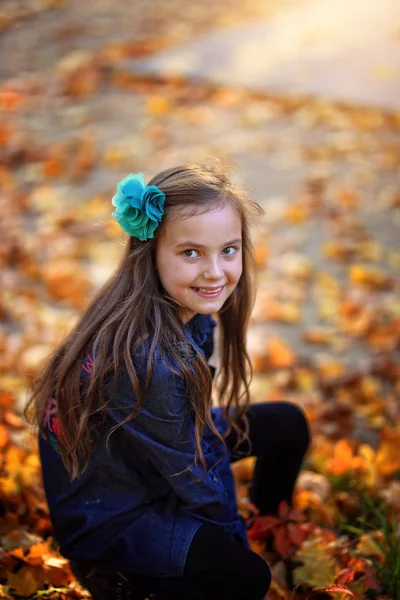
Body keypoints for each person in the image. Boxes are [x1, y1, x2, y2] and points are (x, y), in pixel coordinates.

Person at [25, 163, 310, 600]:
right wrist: (236, 550)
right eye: (191, 253)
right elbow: (199, 475)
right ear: (150, 251)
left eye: (228, 250)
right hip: (110, 521)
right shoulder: (148, 360)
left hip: (144, 456)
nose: (215, 271)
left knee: (287, 424)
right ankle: (132, 584)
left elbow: (191, 437)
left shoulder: (161, 302)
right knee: (244, 576)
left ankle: (273, 527)